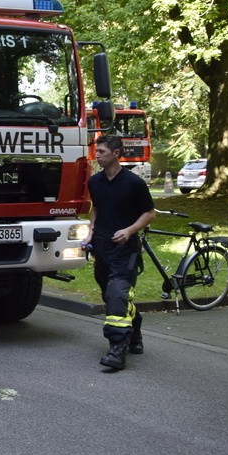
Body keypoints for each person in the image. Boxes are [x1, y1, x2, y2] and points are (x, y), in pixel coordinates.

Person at [83, 134, 156, 371]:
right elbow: (96, 209)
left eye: (102, 152)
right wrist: (91, 231)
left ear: (116, 154)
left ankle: (117, 350)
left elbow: (149, 213)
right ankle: (135, 330)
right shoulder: (95, 182)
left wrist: (129, 230)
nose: (98, 156)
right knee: (109, 295)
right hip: (102, 248)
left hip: (125, 249)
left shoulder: (134, 183)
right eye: (97, 151)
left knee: (117, 294)